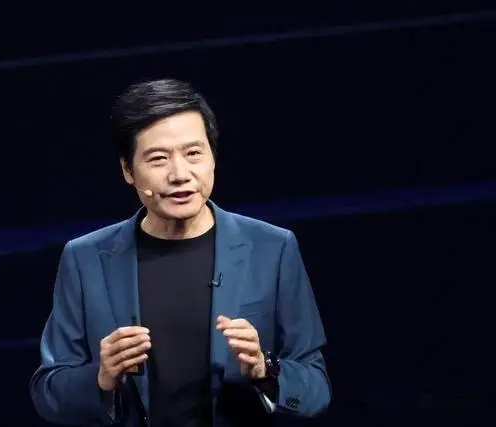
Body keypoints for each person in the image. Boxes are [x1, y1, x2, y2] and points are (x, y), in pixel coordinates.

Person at [30, 78, 331, 426]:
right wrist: (102, 378)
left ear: (213, 158)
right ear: (128, 170)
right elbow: (48, 391)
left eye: (193, 154)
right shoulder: (85, 259)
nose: (180, 174)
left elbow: (316, 388)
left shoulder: (273, 248)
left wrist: (265, 370)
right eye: (158, 159)